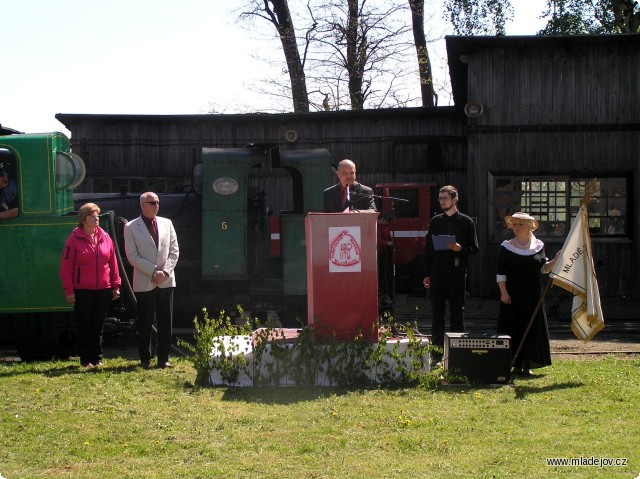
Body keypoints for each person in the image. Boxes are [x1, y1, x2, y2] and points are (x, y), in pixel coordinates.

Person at [496, 212, 559, 376]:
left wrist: (555, 261)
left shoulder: (538, 245)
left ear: (529, 227)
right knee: (513, 326)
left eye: (520, 224)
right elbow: (500, 274)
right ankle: (513, 363)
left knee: (531, 328)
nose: (516, 227)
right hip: (512, 295)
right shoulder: (506, 246)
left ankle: (527, 364)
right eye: (514, 224)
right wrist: (504, 293)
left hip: (533, 294)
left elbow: (543, 268)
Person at [60, 203, 121, 369]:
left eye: (97, 216)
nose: (96, 219)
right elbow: (66, 267)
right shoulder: (73, 239)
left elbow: (113, 262)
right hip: (82, 289)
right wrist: (69, 290)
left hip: (103, 288)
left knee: (98, 325)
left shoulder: (105, 237)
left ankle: (97, 358)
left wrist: (116, 285)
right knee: (84, 323)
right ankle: (86, 359)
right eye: (92, 216)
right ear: (83, 219)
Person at [423, 185, 479, 365]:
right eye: (440, 199)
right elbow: (428, 249)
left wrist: (460, 248)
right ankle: (436, 356)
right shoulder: (435, 221)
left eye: (445, 198)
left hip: (456, 271)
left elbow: (474, 249)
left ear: (455, 199)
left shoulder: (466, 222)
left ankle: (457, 355)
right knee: (437, 315)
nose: (442, 202)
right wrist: (426, 274)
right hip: (437, 271)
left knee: (457, 314)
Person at [124, 192, 179, 369]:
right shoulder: (131, 227)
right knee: (145, 321)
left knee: (165, 321)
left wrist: (164, 272)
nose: (156, 205)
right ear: (142, 205)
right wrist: (154, 271)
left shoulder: (167, 223)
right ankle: (145, 359)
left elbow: (174, 251)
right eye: (152, 202)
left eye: (157, 202)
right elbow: (132, 256)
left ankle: (163, 359)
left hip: (165, 280)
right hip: (145, 280)